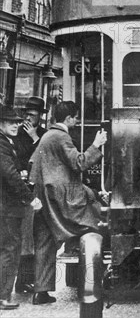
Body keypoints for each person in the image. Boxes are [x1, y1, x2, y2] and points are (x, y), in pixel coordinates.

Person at [29, 101, 107, 305]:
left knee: (45, 243)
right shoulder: (61, 136)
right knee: (94, 221)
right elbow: (79, 163)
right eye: (76, 117)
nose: (77, 120)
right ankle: (91, 283)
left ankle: (41, 291)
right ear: (69, 118)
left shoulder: (46, 136)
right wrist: (96, 145)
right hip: (59, 198)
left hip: (44, 197)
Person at [0, 105, 42, 310]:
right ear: (1, 124)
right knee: (10, 250)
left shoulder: (8, 142)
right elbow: (9, 175)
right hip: (7, 207)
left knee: (8, 249)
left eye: (17, 121)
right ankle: (3, 296)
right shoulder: (2, 144)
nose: (16, 125)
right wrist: (29, 198)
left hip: (7, 206)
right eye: (11, 122)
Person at [13, 97, 47, 294]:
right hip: (22, 189)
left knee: (36, 236)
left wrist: (35, 138)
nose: (27, 118)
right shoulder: (16, 135)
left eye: (32, 115)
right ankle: (22, 281)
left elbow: (45, 157)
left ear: (40, 117)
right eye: (26, 114)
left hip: (38, 190)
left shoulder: (43, 135)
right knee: (25, 237)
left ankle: (31, 279)